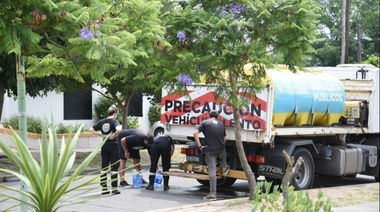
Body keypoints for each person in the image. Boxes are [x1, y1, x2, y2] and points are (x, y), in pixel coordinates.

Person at [193, 110, 230, 201]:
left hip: (210, 150)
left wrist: (200, 146)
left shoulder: (205, 122)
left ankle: (213, 194)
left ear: (209, 115)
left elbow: (195, 133)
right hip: (221, 149)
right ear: (218, 116)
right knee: (223, 153)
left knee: (212, 172)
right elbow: (224, 139)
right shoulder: (221, 124)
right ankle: (224, 167)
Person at [89, 105, 122, 195]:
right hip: (114, 146)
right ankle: (114, 188)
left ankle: (104, 188)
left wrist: (101, 135)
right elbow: (119, 129)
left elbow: (91, 129)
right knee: (114, 167)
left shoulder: (102, 122)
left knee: (104, 167)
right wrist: (114, 135)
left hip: (104, 146)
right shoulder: (115, 121)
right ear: (115, 114)